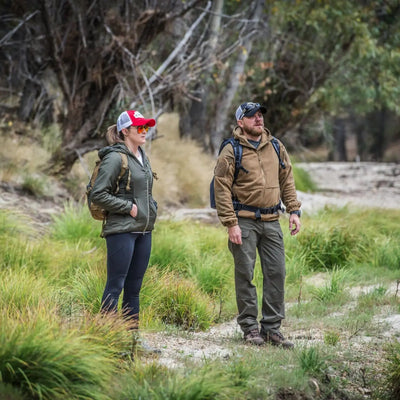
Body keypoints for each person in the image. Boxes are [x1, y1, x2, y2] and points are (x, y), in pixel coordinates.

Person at [213, 102, 301, 348]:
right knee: (245, 274)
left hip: (273, 220)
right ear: (240, 122)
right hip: (244, 221)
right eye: (252, 116)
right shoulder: (231, 150)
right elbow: (221, 187)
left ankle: (272, 329)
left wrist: (294, 210)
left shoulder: (276, 145)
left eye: (260, 115)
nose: (258, 119)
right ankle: (250, 328)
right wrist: (231, 223)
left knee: (277, 273)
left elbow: (287, 179)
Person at [90, 110, 158, 344]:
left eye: (146, 127)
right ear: (125, 131)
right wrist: (128, 207)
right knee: (115, 285)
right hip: (121, 231)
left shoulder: (141, 155)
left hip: (143, 230)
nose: (144, 131)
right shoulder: (114, 158)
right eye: (139, 127)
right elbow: (98, 194)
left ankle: (131, 341)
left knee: (134, 288)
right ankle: (106, 339)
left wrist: (151, 208)